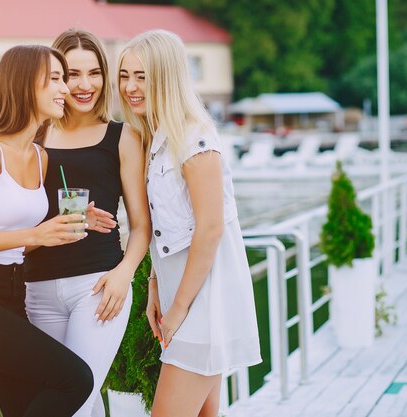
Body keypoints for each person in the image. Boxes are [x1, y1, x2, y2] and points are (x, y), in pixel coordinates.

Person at [0, 45, 100, 417]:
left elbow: (17, 244)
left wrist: (62, 229)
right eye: (56, 79)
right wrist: (34, 235)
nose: (67, 89)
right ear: (26, 84)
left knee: (23, 407)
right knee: (76, 379)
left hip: (13, 293)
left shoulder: (40, 157)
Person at [117, 30, 262, 417]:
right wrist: (154, 287)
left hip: (204, 299)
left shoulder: (194, 138)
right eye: (125, 75)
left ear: (166, 77)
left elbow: (211, 228)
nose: (130, 87)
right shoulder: (157, 137)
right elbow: (166, 230)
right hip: (179, 293)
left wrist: (178, 309)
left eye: (142, 76)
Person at [23, 29, 151, 417]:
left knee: (70, 402)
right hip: (37, 291)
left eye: (94, 73)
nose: (83, 85)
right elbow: (17, 227)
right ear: (54, 78)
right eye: (71, 74)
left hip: (97, 288)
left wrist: (124, 273)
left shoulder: (123, 136)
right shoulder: (34, 136)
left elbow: (141, 226)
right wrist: (55, 226)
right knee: (86, 403)